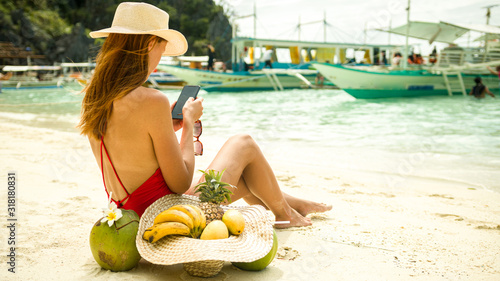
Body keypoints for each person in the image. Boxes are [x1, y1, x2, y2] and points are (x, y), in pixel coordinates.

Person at [79, 2, 330, 228]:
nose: (159, 61)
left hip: (129, 217)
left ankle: (291, 205)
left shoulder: (94, 97)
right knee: (243, 144)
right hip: (168, 217)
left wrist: (166, 125)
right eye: (161, 50)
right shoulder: (152, 100)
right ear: (148, 44)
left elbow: (135, 149)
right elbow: (180, 182)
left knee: (244, 174)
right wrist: (188, 123)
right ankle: (285, 214)